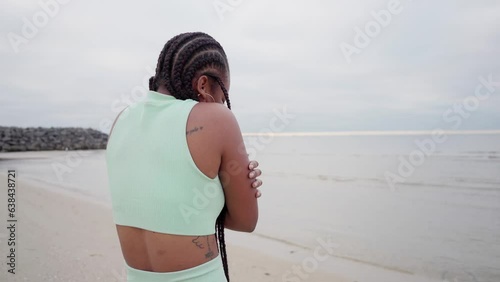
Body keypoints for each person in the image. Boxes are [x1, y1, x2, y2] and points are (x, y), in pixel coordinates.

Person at [105, 32, 262, 282]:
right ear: (203, 85)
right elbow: (246, 221)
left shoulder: (120, 120)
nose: (221, 105)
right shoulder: (217, 118)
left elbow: (155, 206)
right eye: (223, 97)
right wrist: (233, 189)